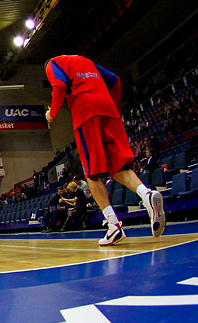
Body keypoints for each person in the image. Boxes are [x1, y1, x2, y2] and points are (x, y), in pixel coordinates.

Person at [46, 55, 165, 245]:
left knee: (91, 174)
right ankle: (146, 194)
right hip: (108, 110)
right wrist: (113, 107)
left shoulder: (53, 63)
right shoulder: (86, 62)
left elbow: (59, 85)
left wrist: (52, 113)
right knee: (118, 168)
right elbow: (115, 80)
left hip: (86, 113)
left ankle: (113, 225)